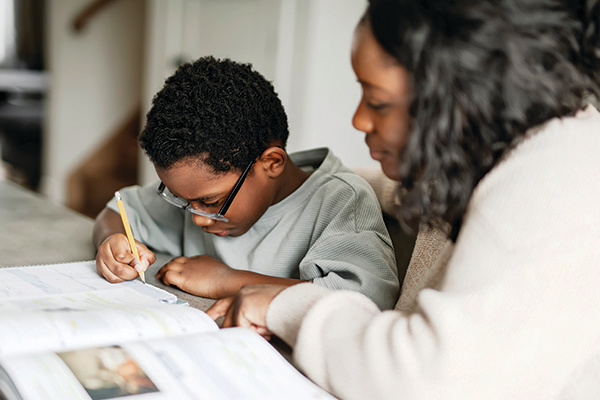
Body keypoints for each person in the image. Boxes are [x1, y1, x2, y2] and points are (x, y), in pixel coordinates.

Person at [207, 0, 600, 398]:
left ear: (462, 95)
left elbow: (426, 379)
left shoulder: (556, 181)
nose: (359, 120)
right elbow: (394, 190)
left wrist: (288, 305)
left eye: (378, 102)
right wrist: (288, 185)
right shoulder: (497, 155)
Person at [92, 56, 399, 309]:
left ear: (271, 163)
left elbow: (362, 304)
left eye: (211, 202)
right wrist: (114, 243)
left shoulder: (342, 202)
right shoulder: (198, 190)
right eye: (181, 200)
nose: (197, 218)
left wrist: (225, 280)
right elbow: (118, 211)